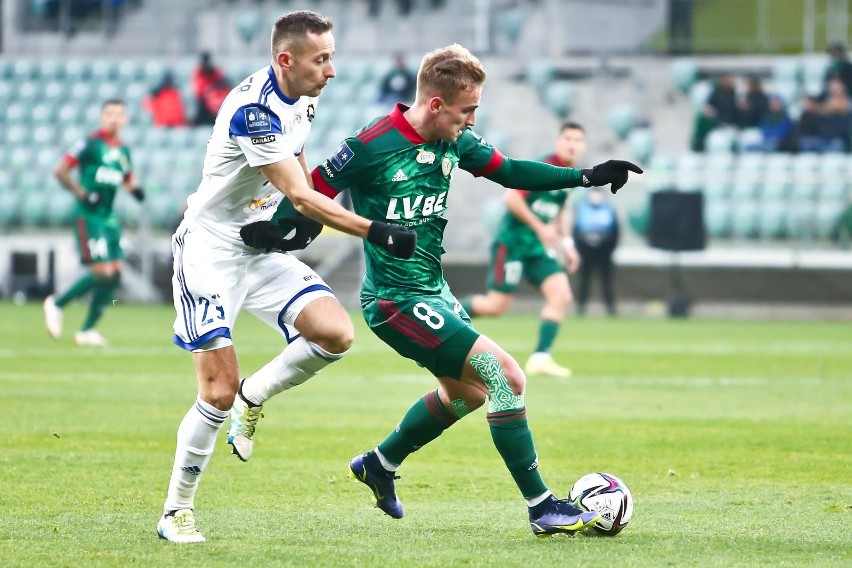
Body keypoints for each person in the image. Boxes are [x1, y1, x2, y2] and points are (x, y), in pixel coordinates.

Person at [242, 43, 642, 537]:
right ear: (436, 104)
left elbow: (511, 170)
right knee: (506, 378)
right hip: (394, 301)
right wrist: (276, 229)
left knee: (467, 393)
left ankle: (379, 464)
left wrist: (586, 176)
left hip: (433, 291)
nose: (472, 120)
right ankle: (542, 507)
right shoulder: (371, 146)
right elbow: (313, 188)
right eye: (467, 110)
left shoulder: (455, 142)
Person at [155, 10, 417, 544]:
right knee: (217, 389)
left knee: (335, 333)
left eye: (332, 57)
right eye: (322, 59)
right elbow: (301, 194)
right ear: (286, 59)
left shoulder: (304, 95)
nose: (332, 70)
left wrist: (290, 228)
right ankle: (175, 511)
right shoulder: (254, 111)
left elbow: (298, 171)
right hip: (210, 250)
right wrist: (376, 230)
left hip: (258, 244)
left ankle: (257, 396)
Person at [460, 121, 588, 379]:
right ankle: (449, 315)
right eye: (568, 139)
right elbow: (512, 198)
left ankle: (541, 358)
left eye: (578, 140)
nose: (572, 145)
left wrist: (567, 244)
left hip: (537, 249)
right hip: (513, 244)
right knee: (496, 306)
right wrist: (541, 228)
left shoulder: (571, 175)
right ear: (558, 142)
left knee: (561, 295)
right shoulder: (546, 166)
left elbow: (560, 211)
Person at [43, 99, 144, 346]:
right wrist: (83, 194)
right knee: (103, 271)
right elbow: (60, 171)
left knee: (115, 273)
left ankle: (86, 330)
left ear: (125, 119)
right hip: (88, 215)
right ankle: (56, 303)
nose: (114, 118)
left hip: (109, 218)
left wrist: (136, 191)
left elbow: (127, 179)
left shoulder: (123, 151)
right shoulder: (88, 144)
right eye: (109, 113)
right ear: (102, 117)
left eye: (119, 114)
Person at [570, 187, 620, 317]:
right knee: (584, 281)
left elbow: (616, 232)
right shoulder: (583, 209)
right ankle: (581, 307)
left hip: (604, 251)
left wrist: (610, 249)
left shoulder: (609, 209)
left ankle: (610, 308)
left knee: (607, 281)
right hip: (586, 252)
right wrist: (580, 248)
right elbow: (576, 231)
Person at [191, 51, 225, 125]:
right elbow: (199, 92)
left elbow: (221, 86)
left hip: (216, 101)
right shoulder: (198, 73)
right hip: (205, 103)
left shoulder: (215, 72)